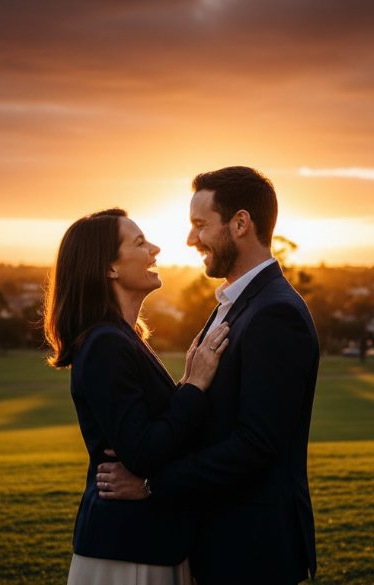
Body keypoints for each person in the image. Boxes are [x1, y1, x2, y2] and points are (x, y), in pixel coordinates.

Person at [96, 167, 320, 584]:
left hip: (252, 549)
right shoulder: (236, 302)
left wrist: (152, 483)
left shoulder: (275, 314)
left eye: (200, 226)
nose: (190, 239)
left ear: (240, 224)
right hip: (222, 539)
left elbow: (257, 444)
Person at [43, 207, 231, 585]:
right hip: (128, 551)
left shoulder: (122, 338)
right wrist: (193, 387)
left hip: (146, 541)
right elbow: (143, 451)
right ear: (108, 268)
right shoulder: (105, 344)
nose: (156, 249)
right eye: (140, 242)